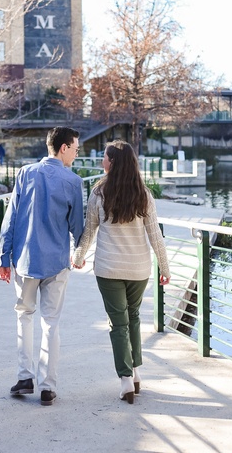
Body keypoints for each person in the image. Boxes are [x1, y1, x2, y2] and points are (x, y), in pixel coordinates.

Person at [71, 140, 171, 404]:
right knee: (134, 317)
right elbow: (155, 236)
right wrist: (165, 267)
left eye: (104, 157)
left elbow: (89, 230)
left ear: (112, 162)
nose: (101, 161)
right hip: (139, 269)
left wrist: (79, 256)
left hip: (109, 268)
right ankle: (136, 372)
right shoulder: (144, 194)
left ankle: (126, 379)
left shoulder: (99, 193)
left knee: (118, 322)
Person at [0, 126, 84, 406]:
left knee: (24, 317)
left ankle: (25, 377)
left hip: (25, 260)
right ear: (63, 148)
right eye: (75, 148)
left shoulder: (25, 174)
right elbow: (77, 227)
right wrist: (79, 254)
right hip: (57, 262)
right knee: (51, 323)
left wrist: (3, 258)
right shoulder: (72, 181)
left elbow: (9, 219)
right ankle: (48, 386)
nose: (77, 152)